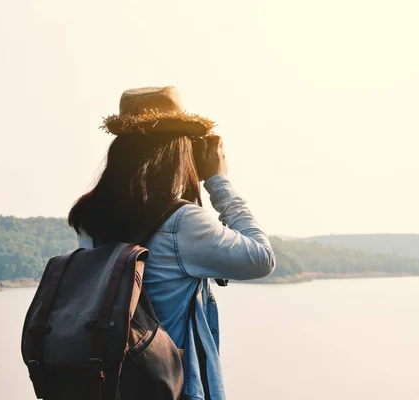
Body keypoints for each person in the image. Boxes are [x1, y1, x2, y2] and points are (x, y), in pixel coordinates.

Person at [68, 86, 276, 400]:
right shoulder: (183, 222)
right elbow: (262, 259)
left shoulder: (89, 218)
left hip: (113, 386)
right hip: (171, 389)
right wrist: (218, 181)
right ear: (178, 149)